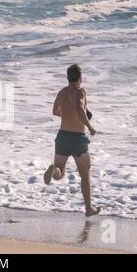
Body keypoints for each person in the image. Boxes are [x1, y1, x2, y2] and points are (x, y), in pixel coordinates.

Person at [43, 64, 101, 217]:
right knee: (85, 176)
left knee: (60, 172)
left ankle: (52, 170)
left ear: (67, 77)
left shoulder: (61, 92)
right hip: (77, 139)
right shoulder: (81, 91)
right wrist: (90, 127)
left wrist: (68, 114)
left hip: (62, 137)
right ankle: (89, 208)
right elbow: (80, 108)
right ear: (80, 77)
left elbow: (55, 111)